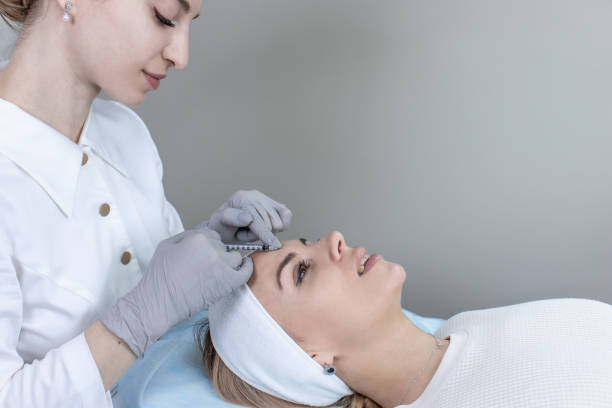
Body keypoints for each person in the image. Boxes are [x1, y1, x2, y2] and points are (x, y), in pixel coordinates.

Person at [0, 0, 292, 407]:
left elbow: (172, 310)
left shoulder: (126, 136)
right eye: (165, 16)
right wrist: (134, 322)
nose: (181, 55)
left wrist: (215, 249)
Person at [197, 232, 612, 408]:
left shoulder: (463, 329)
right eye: (301, 272)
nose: (334, 239)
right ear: (309, 356)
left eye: (308, 241)